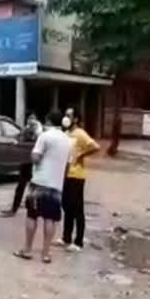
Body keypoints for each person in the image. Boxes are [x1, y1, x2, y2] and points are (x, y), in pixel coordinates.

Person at [14, 111, 71, 264]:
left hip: (39, 182)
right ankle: (46, 254)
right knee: (50, 218)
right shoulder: (68, 140)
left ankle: (27, 250)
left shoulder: (45, 136)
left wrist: (32, 155)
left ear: (48, 120)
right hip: (56, 184)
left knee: (32, 215)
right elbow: (67, 165)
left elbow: (35, 157)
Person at [60, 108, 100, 252]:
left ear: (75, 119)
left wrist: (82, 155)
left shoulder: (80, 133)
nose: (66, 117)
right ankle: (66, 238)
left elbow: (95, 146)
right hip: (66, 175)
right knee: (66, 206)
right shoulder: (67, 133)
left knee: (77, 209)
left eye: (69, 115)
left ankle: (78, 242)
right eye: (65, 115)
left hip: (77, 175)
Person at [2, 112, 43, 217]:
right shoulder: (25, 130)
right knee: (21, 186)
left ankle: (35, 209)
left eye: (33, 119)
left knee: (34, 188)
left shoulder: (39, 132)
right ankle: (14, 209)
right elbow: (18, 138)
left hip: (34, 163)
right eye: (30, 119)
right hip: (25, 162)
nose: (31, 121)